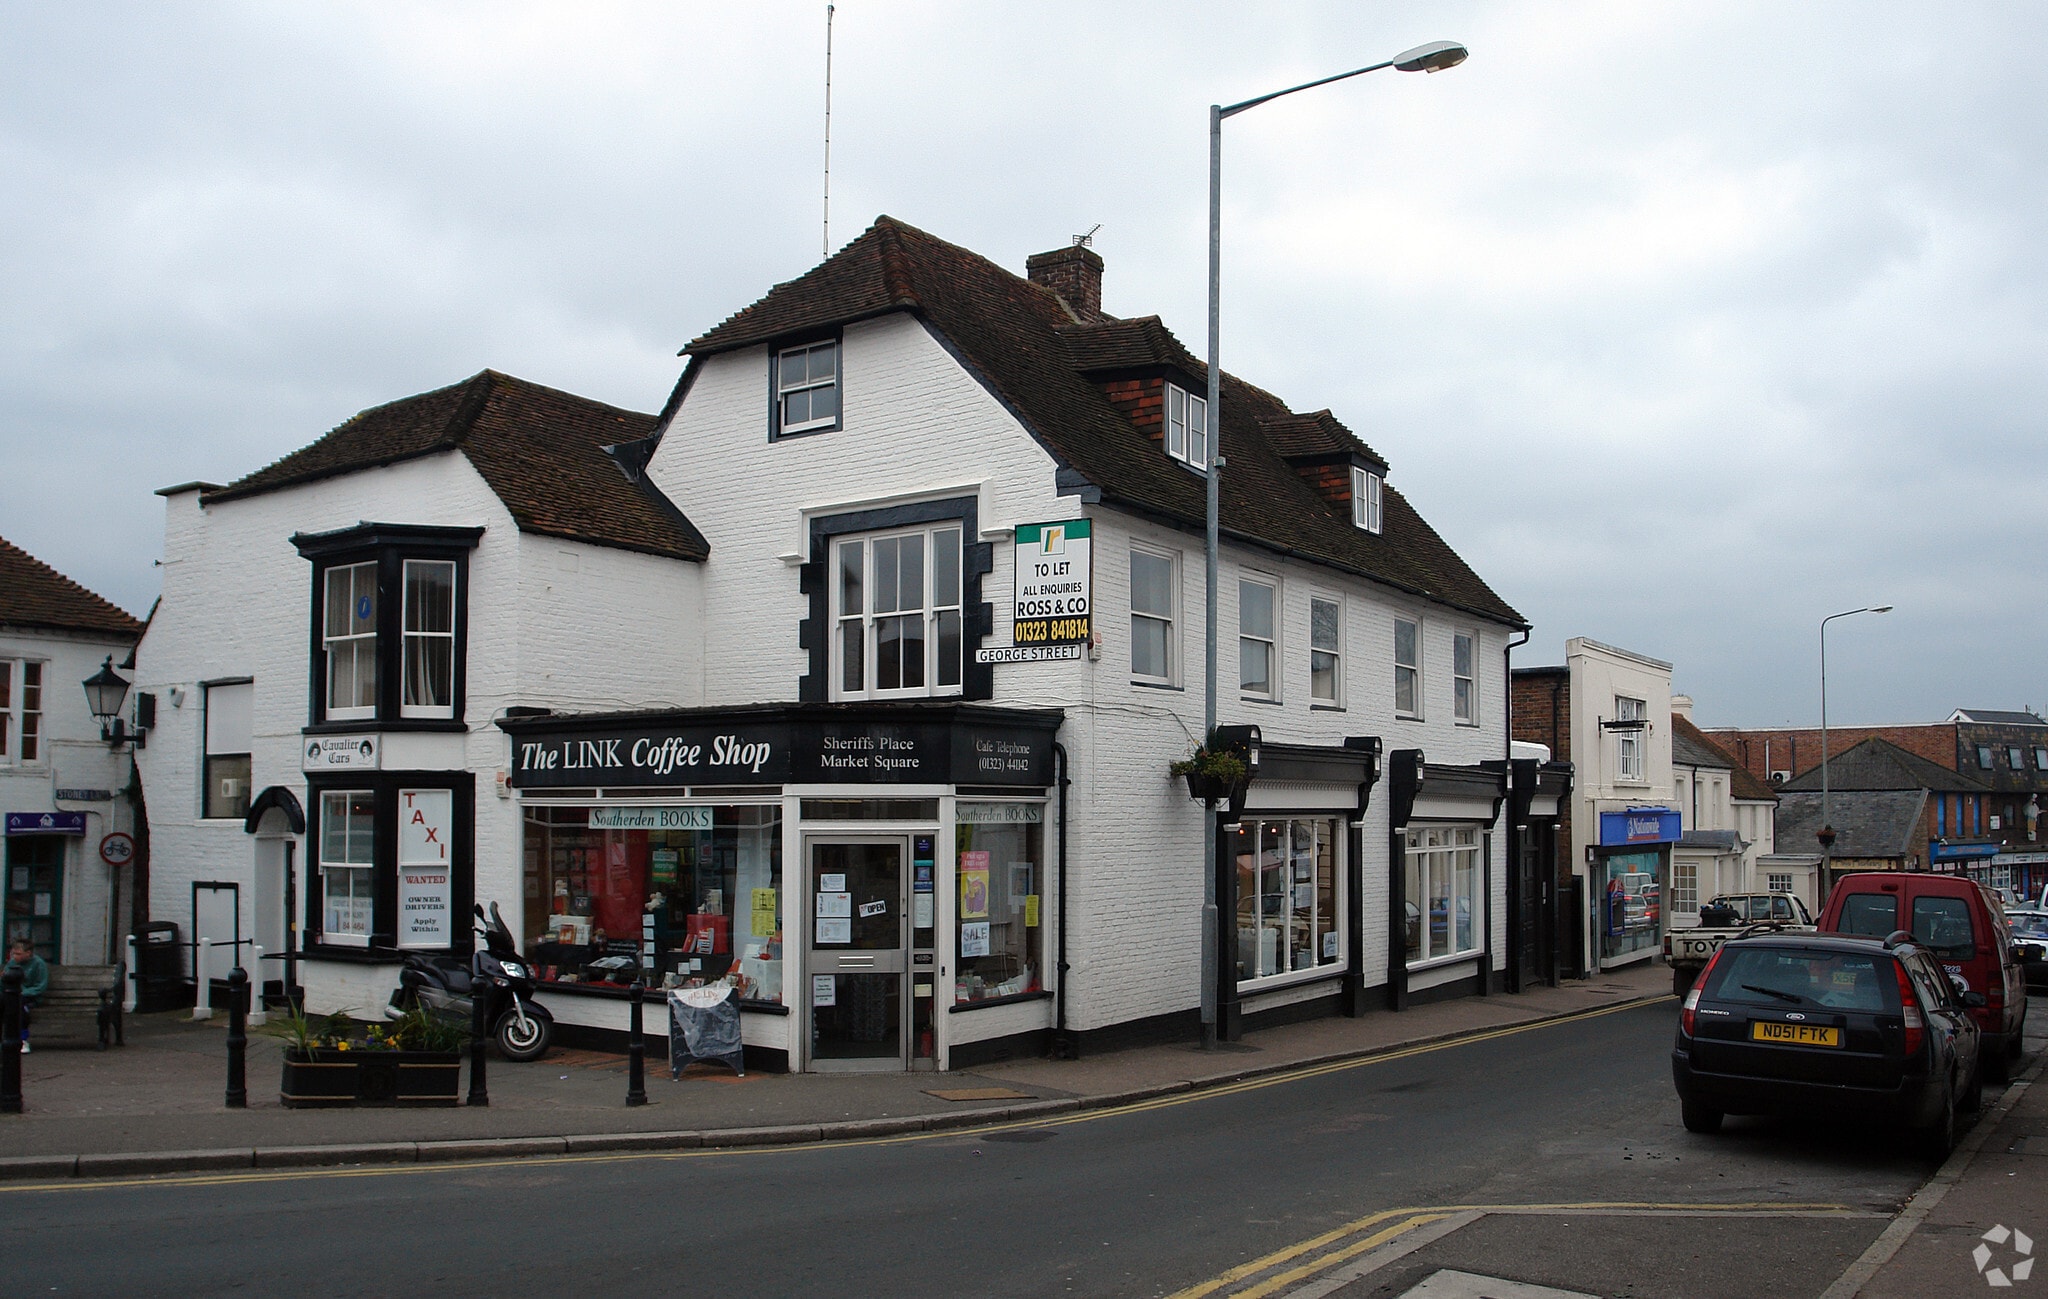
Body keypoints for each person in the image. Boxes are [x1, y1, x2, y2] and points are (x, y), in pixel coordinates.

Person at [4, 939, 49, 1053]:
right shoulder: (12, 964)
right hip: (13, 994)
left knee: (21, 1007)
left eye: (18, 954)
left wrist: (23, 992)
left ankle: (23, 1039)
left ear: (28, 953)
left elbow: (41, 986)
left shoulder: (39, 964)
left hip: (30, 997)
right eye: (13, 953)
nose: (15, 956)